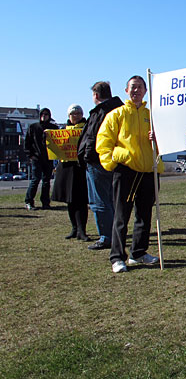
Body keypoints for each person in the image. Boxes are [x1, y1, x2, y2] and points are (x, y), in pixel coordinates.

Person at [97, 75, 163, 273]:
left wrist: (157, 138)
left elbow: (165, 143)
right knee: (121, 215)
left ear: (146, 91)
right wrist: (115, 161)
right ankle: (117, 257)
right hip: (126, 171)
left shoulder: (151, 116)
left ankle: (138, 253)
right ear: (126, 90)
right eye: (133, 87)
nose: (136, 91)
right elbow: (103, 142)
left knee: (144, 215)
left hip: (148, 171)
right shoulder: (116, 115)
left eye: (140, 87)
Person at [78, 81, 124, 250]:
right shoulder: (120, 110)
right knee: (113, 200)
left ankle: (107, 236)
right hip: (116, 160)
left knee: (100, 201)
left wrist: (86, 156)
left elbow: (92, 138)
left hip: (98, 161)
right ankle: (116, 233)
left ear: (96, 95)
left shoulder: (100, 112)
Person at [51, 105, 90, 240]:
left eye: (79, 113)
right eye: (74, 113)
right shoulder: (63, 130)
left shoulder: (86, 128)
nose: (77, 115)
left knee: (81, 200)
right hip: (67, 168)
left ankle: (82, 230)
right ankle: (74, 228)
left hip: (80, 168)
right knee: (70, 201)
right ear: (69, 116)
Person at [24, 107, 58, 210]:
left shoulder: (54, 128)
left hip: (48, 158)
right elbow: (27, 143)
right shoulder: (33, 127)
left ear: (49, 116)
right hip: (36, 158)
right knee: (35, 179)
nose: (44, 116)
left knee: (46, 181)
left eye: (46, 114)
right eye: (42, 114)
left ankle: (45, 202)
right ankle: (29, 201)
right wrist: (30, 155)